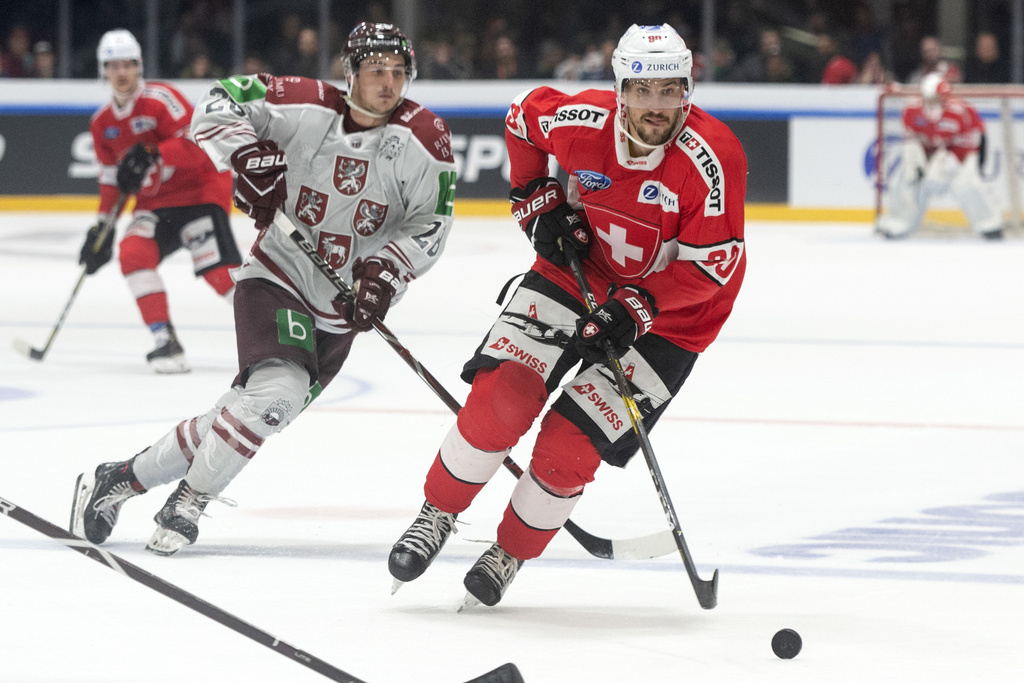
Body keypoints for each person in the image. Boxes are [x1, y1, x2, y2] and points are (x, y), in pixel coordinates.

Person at [388, 23, 747, 608]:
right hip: (579, 272)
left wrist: (636, 308)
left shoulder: (713, 158)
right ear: (620, 88)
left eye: (671, 90)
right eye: (643, 90)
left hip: (677, 315)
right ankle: (437, 515)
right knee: (501, 399)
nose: (657, 106)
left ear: (687, 88)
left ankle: (508, 553)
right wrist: (536, 197)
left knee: (567, 449)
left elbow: (712, 271)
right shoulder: (581, 120)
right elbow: (521, 116)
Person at [69, 22, 457, 556]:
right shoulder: (304, 102)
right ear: (351, 73)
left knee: (245, 413)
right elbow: (219, 101)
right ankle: (189, 501)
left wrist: (387, 273)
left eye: (397, 72)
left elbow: (433, 222)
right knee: (277, 397)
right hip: (278, 274)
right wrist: (245, 155)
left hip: (343, 309)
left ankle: (121, 477)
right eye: (375, 71)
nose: (387, 83)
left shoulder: (426, 138)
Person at [80, 29, 239, 372]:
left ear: (139, 66)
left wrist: (154, 151)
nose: (121, 72)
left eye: (128, 64)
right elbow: (111, 180)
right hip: (155, 204)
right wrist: (102, 227)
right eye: (113, 65)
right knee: (133, 253)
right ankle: (165, 340)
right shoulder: (101, 123)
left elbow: (198, 143)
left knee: (219, 274)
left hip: (198, 192)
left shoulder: (160, 99)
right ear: (102, 70)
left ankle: (277, 334)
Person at [876, 73, 1003, 240]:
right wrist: (918, 163)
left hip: (957, 154)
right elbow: (912, 141)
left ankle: (989, 224)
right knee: (905, 178)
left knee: (967, 184)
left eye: (936, 99)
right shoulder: (911, 111)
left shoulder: (961, 112)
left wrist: (952, 161)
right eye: (929, 98)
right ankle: (899, 222)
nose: (932, 103)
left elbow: (973, 141)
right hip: (928, 154)